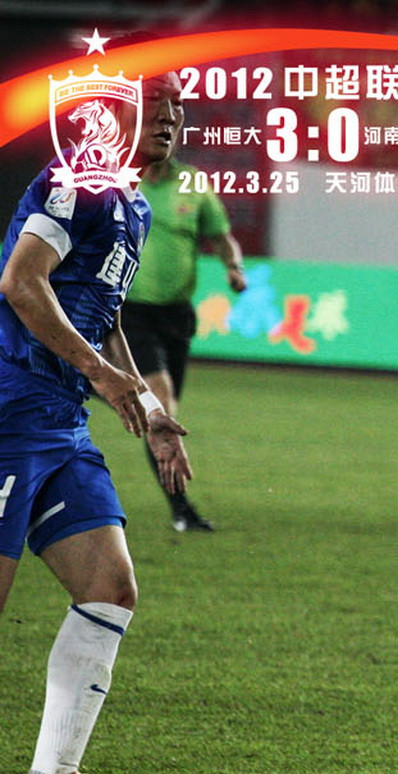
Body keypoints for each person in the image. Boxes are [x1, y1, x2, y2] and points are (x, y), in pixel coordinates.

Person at [3, 73, 193, 774]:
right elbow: (22, 282)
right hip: (12, 410)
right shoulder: (73, 181)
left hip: (63, 421)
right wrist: (103, 375)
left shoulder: (135, 206)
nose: (171, 122)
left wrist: (143, 400)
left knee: (110, 588)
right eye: (156, 110)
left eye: (179, 112)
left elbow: (102, 310)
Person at [122, 120, 246, 532]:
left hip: (176, 315)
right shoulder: (118, 179)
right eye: (158, 126)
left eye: (172, 129)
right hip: (130, 313)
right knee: (161, 402)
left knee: (164, 406)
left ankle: (117, 395)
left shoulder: (193, 183)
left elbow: (222, 235)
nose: (166, 136)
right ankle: (179, 507)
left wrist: (233, 267)